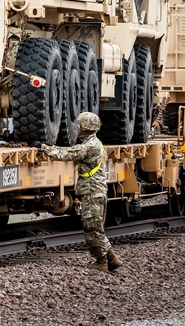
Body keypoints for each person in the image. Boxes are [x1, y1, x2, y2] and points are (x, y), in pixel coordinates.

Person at [35, 112, 121, 272]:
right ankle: (112, 259)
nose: (77, 127)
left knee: (91, 227)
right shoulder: (93, 143)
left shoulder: (90, 146)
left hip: (92, 191)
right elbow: (72, 150)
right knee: (96, 227)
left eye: (79, 125)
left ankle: (101, 262)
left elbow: (67, 154)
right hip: (95, 190)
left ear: (84, 128)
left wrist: (43, 148)